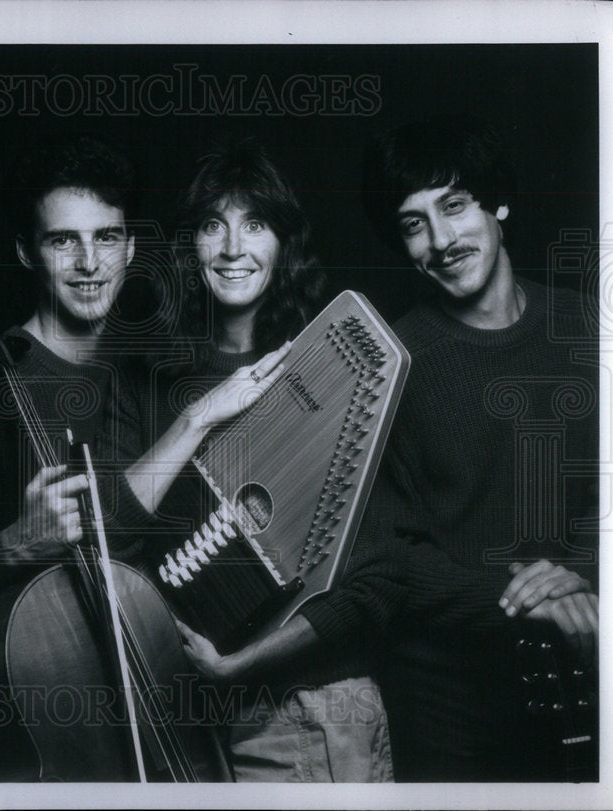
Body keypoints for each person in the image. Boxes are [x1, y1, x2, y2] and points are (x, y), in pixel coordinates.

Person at [105, 140, 401, 782]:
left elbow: (374, 583)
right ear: (190, 246)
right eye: (214, 225)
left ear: (283, 243)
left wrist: (242, 665)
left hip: (306, 710)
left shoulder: (336, 378)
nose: (234, 248)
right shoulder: (147, 379)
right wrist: (197, 418)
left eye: (256, 224)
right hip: (178, 717)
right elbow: (112, 541)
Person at [360, 114, 599, 781]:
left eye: (454, 206)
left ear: (497, 202)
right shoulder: (390, 362)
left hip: (589, 677)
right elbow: (387, 557)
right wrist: (529, 601)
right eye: (413, 224)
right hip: (445, 706)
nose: (440, 239)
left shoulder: (587, 328)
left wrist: (588, 573)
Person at [0, 134, 137, 609]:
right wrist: (13, 546)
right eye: (63, 240)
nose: (89, 263)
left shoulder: (147, 369)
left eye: (106, 237)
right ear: (27, 252)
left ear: (130, 248)